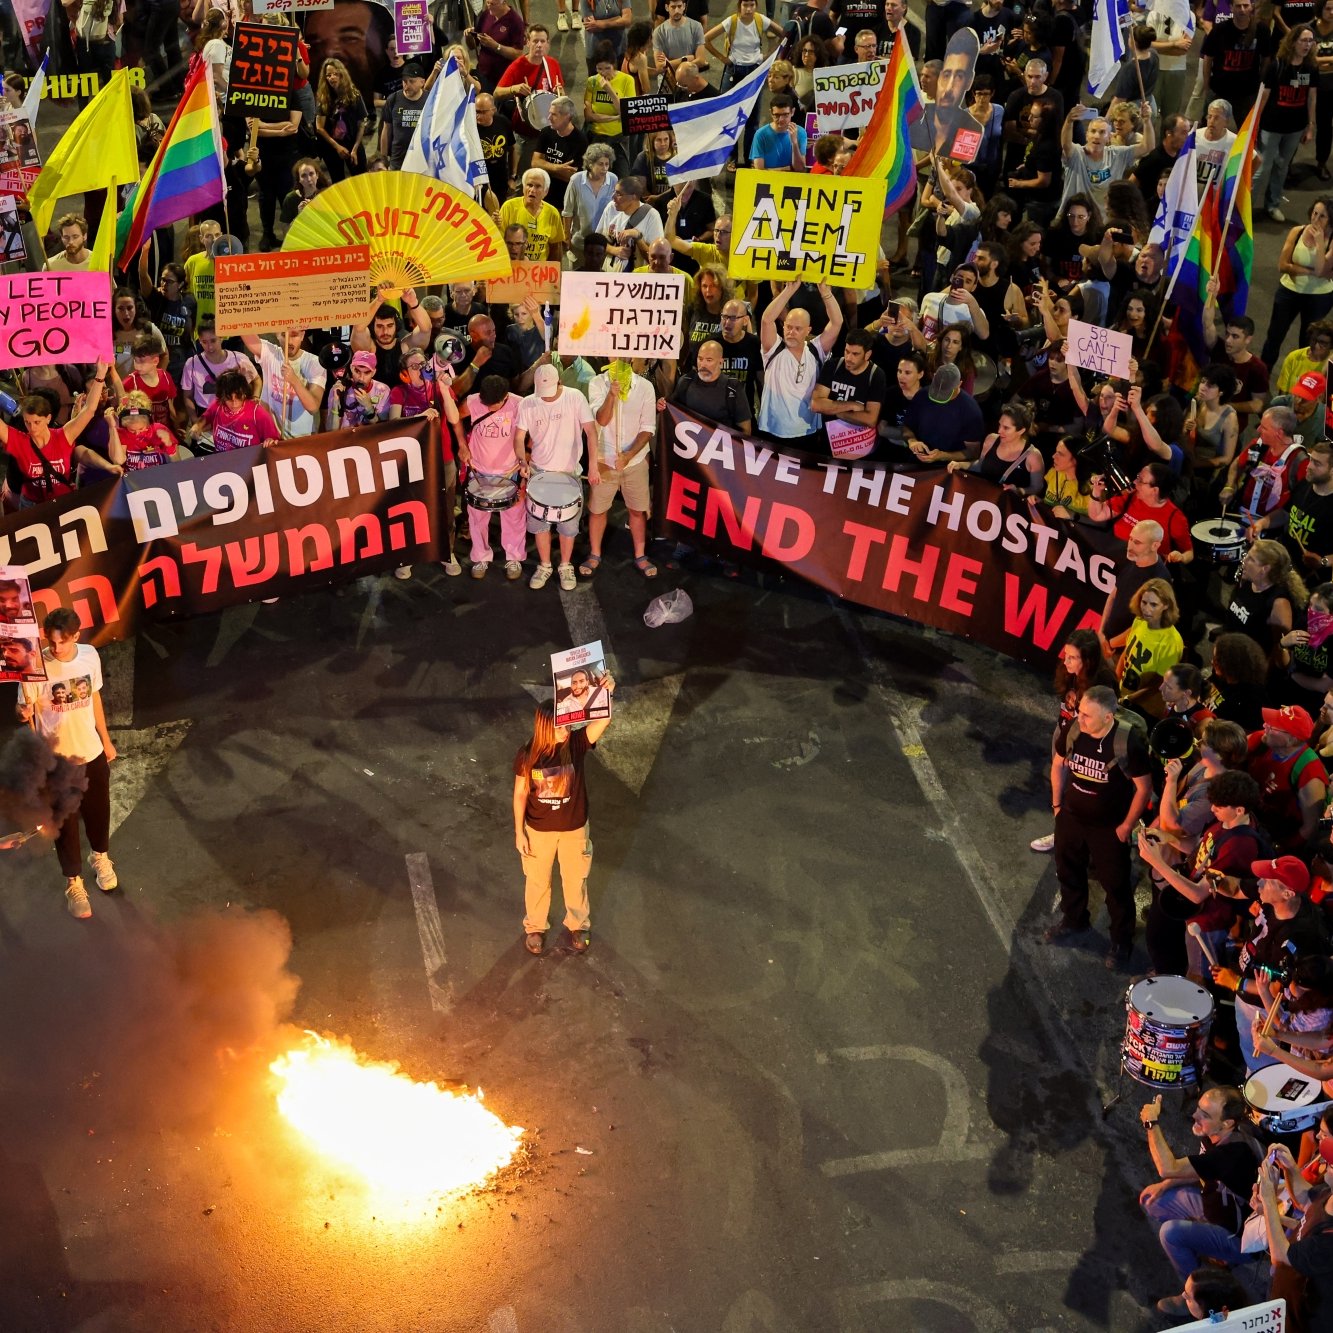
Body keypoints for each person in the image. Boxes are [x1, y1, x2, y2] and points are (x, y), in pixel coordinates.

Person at [16, 609, 119, 921]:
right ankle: (73, 882)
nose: (56, 648)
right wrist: (22, 711)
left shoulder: (89, 656)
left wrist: (106, 738)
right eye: (51, 641)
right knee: (66, 826)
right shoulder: (34, 664)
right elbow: (27, 711)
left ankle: (100, 858)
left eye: (62, 642)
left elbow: (96, 699)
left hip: (92, 753)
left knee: (99, 813)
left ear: (77, 635)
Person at [1045, 684, 1154, 968]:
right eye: (1080, 712)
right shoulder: (1074, 730)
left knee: (1115, 886)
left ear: (1108, 717)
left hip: (1109, 827)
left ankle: (1121, 942)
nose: (1079, 719)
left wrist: (1127, 825)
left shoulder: (1127, 742)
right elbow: (1058, 764)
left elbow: (1143, 787)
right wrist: (1057, 805)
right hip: (1071, 817)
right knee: (1067, 871)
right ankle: (1074, 920)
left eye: (1087, 716)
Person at [1139, 1086, 1263, 1318]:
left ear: (1227, 1123)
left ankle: (1197, 1295)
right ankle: (1209, 1254)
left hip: (1238, 1238)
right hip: (1213, 1208)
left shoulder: (1233, 1153)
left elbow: (1168, 1168)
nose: (1195, 1116)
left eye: (1205, 1115)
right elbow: (1204, 1167)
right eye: (1198, 1109)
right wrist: (1167, 1184)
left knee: (1171, 1233)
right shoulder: (1218, 1133)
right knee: (1154, 1200)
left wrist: (1151, 1123)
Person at [513, 682, 616, 957]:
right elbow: (521, 794)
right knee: (537, 881)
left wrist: (604, 692)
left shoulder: (577, 744)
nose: (566, 729)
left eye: (567, 724)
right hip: (538, 831)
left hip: (574, 830)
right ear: (545, 727)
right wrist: (519, 832)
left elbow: (604, 718)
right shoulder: (527, 755)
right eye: (559, 726)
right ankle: (535, 927)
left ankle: (578, 924)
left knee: (575, 879)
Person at [1214, 855, 1330, 1073]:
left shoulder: (1303, 936)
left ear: (1287, 894)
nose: (1259, 883)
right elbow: (1235, 887)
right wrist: (1209, 877)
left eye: (1266, 880)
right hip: (1250, 994)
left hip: (1262, 1006)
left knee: (1263, 1064)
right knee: (1251, 1053)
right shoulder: (1271, 898)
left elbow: (1281, 988)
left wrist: (1237, 983)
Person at [516, 364, 599, 591]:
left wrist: (593, 467)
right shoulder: (528, 403)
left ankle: (564, 564)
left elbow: (591, 432)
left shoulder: (575, 398)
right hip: (539, 473)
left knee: (567, 526)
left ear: (560, 382)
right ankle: (545, 565)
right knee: (540, 524)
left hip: (569, 474)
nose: (546, 397)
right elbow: (519, 436)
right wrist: (522, 461)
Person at [446, 372, 528, 580]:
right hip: (479, 470)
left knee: (514, 517)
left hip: (510, 471)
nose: (488, 407)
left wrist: (525, 464)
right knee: (477, 517)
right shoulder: (473, 402)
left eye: (493, 405)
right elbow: (455, 419)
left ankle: (513, 557)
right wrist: (462, 445)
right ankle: (481, 556)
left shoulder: (520, 405)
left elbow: (530, 436)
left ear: (505, 397)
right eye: (486, 403)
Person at [583, 359, 657, 579]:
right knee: (597, 510)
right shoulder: (597, 383)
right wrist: (612, 396)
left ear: (633, 357)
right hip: (604, 459)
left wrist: (629, 455)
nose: (619, 359)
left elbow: (648, 428)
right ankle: (595, 553)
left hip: (634, 461)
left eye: (624, 356)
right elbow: (602, 420)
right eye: (613, 355)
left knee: (637, 509)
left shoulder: (645, 387)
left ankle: (640, 554)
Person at [0, 371, 119, 506]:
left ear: (48, 418)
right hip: (31, 505)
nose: (32, 428)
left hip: (63, 503)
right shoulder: (20, 441)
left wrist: (101, 374)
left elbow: (90, 409)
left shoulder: (63, 436)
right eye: (27, 422)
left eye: (37, 422)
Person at [757, 281, 844, 442]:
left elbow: (837, 323)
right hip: (772, 431)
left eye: (798, 329)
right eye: (788, 327)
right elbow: (766, 320)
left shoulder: (815, 350)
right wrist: (789, 290)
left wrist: (826, 294)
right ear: (783, 327)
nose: (791, 332)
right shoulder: (773, 349)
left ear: (808, 330)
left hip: (807, 432)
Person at [1255, 25, 1319, 222]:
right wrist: (1255, 123)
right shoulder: (1277, 65)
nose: (1307, 45)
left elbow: (1311, 98)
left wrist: (1310, 125)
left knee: (1282, 167)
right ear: (1293, 42)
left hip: (1294, 127)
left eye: (1310, 41)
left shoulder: (1311, 67)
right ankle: (1242, 208)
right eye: (1303, 40)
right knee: (1262, 168)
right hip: (1272, 126)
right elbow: (1263, 97)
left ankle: (1272, 204)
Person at [1246, 703, 1329, 850]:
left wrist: (1281, 850)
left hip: (1275, 837)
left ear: (1292, 739)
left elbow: (1310, 827)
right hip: (1249, 817)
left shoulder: (1309, 774)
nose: (1265, 725)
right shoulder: (1262, 740)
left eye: (1273, 726)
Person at [1262, 198, 1333, 370]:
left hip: (1319, 297)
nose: (1316, 219)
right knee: (1274, 336)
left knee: (1307, 341)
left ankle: (1301, 384)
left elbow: (1320, 268)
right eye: (1315, 213)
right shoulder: (1297, 231)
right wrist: (1310, 271)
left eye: (1322, 216)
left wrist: (1319, 243)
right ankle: (1262, 378)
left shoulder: (1331, 240)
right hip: (1289, 291)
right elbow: (1283, 265)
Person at [947, 401, 1044, 494]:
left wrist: (1020, 491)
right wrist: (959, 465)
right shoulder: (991, 440)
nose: (999, 430)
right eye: (1000, 425)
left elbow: (1037, 487)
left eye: (1006, 428)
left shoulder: (1033, 456)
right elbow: (980, 465)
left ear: (1021, 431)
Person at [671, 340, 753, 432]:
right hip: (690, 443)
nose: (703, 365)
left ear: (721, 362)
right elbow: (671, 412)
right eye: (700, 359)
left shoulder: (733, 388)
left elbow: (745, 430)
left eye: (709, 360)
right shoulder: (685, 382)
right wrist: (660, 405)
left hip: (721, 444)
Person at [193, 369, 282, 451]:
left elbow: (274, 439)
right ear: (222, 397)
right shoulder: (218, 405)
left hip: (249, 463)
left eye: (238, 397)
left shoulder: (258, 413)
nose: (234, 403)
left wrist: (270, 441)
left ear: (245, 393)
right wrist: (197, 426)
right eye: (229, 398)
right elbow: (206, 417)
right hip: (222, 460)